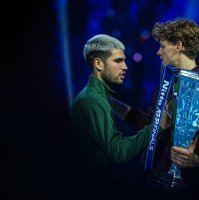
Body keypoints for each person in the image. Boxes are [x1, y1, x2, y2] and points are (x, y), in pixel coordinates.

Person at [109, 18, 199, 193]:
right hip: (154, 177)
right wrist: (110, 102)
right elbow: (149, 123)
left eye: (163, 46)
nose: (159, 52)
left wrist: (195, 160)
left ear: (179, 46)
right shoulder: (167, 82)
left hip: (188, 186)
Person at [70, 34, 169, 190]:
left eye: (124, 60)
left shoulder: (98, 97)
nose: (125, 66)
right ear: (98, 63)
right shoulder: (93, 100)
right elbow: (118, 152)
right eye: (118, 61)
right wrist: (158, 127)